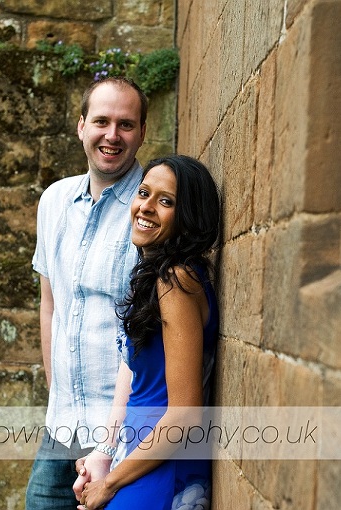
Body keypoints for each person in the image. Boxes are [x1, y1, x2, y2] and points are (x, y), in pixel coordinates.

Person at [25, 76, 148, 509]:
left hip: (123, 433)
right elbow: (50, 307)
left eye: (126, 124)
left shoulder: (149, 208)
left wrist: (108, 443)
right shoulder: (53, 201)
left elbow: (142, 332)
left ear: (142, 133)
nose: (112, 135)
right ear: (81, 126)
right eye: (101, 121)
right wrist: (56, 399)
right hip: (61, 428)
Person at [72, 155, 221, 510]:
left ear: (188, 217)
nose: (146, 207)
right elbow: (135, 375)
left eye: (165, 201)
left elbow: (184, 414)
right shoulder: (160, 275)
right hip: (141, 451)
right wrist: (106, 453)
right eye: (143, 193)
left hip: (163, 463)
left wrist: (110, 483)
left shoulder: (176, 280)